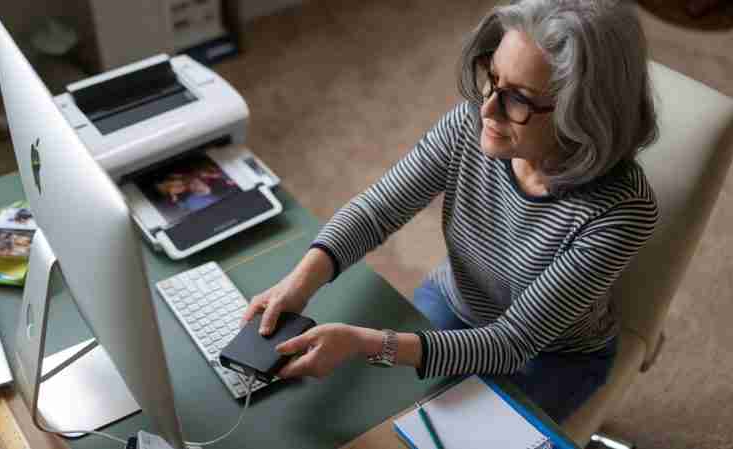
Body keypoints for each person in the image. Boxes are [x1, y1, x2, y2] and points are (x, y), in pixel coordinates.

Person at [243, 0, 659, 423]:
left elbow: (511, 343)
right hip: (454, 299)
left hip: (548, 355)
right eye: (492, 79)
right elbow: (376, 211)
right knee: (361, 416)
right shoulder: (470, 125)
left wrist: (362, 343)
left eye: (519, 98)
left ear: (584, 113)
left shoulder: (621, 211)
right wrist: (299, 283)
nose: (487, 109)